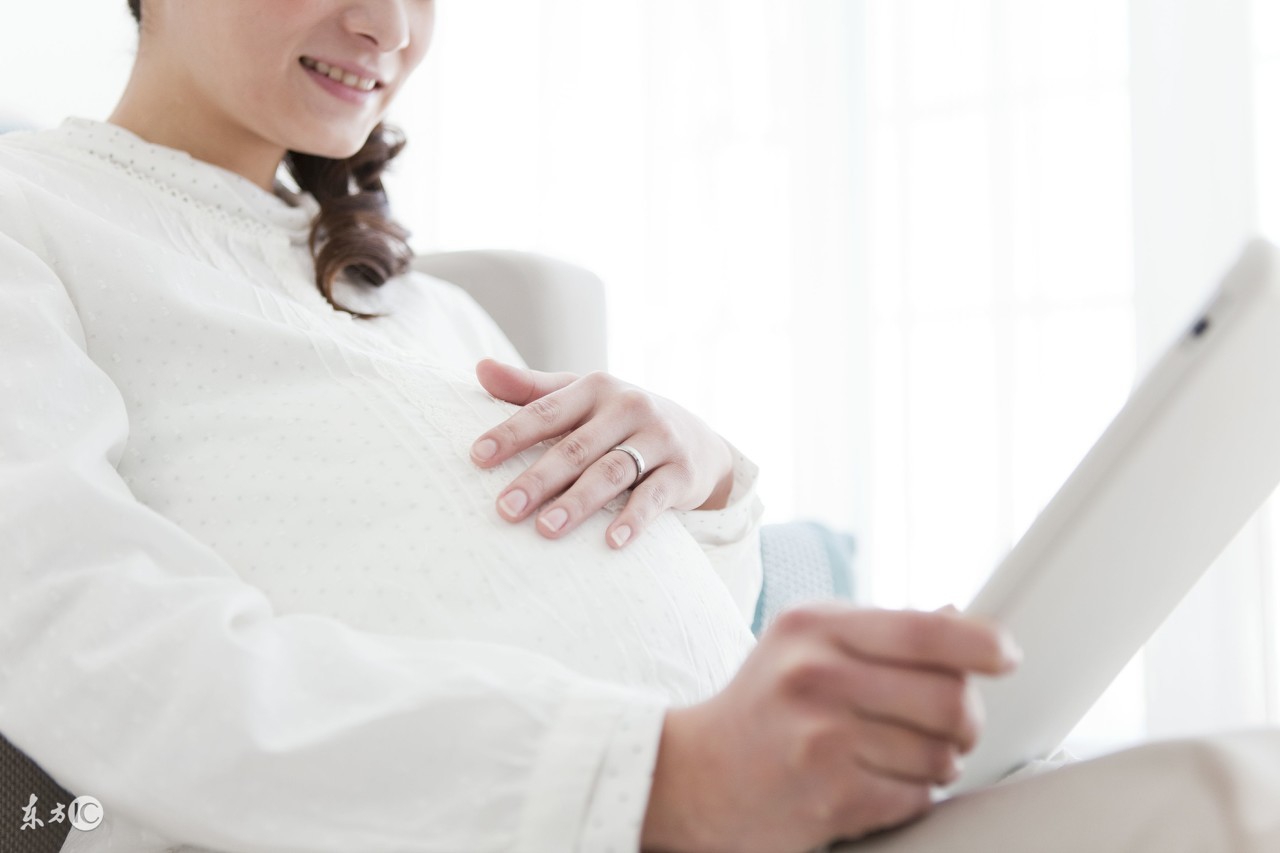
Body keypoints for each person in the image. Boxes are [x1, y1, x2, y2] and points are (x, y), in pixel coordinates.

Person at [2, 2, 1276, 853]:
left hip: (755, 809)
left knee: (1236, 777)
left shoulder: (422, 303)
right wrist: (659, 777)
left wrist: (701, 493)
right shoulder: (33, 219)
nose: (389, 25)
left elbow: (625, 611)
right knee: (1216, 804)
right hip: (588, 815)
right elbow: (92, 649)